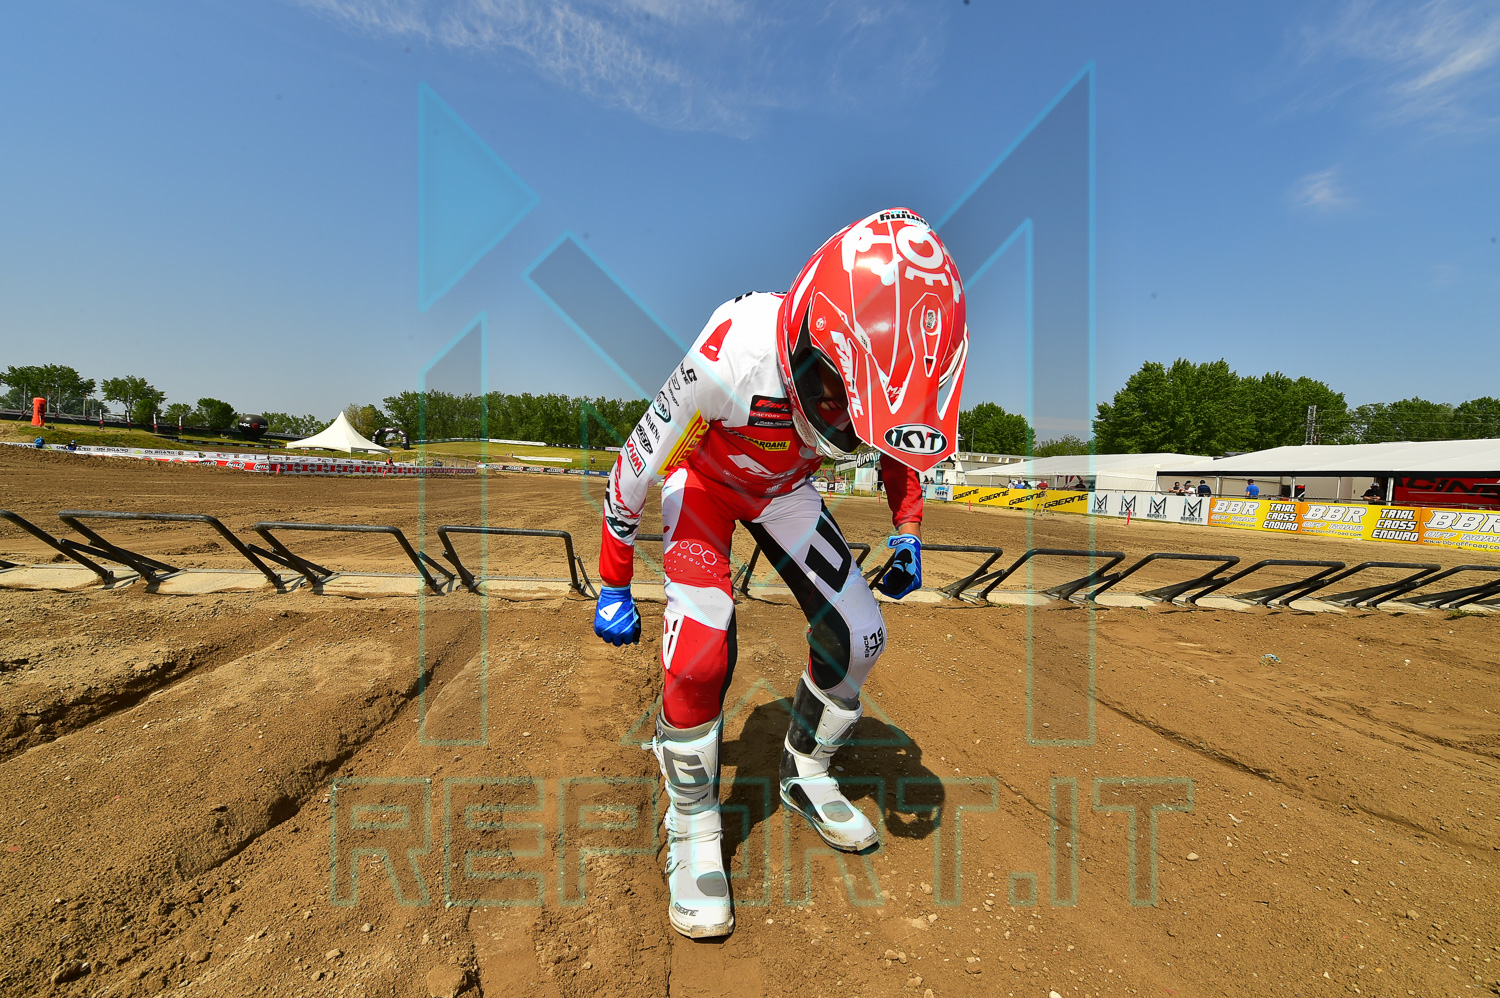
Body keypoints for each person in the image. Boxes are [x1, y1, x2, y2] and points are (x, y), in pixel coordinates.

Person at [592, 208, 967, 939]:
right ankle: (691, 819)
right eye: (834, 389)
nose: (844, 419)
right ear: (805, 337)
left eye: (859, 404)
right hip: (702, 483)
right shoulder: (730, 354)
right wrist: (613, 582)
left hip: (784, 491)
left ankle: (807, 769)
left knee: (861, 637)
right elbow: (636, 464)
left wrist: (908, 530)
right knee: (697, 656)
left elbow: (897, 438)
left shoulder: (856, 369)